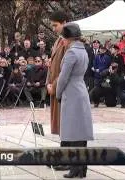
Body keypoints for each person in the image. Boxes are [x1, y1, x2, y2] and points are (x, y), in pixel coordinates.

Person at [56, 23, 93, 179]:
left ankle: (75, 168)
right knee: (81, 133)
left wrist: (58, 93)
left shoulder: (71, 53)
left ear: (68, 38)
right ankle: (82, 168)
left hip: (71, 92)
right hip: (81, 90)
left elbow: (63, 77)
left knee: (72, 133)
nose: (62, 41)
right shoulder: (82, 50)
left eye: (63, 38)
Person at [46, 11, 71, 171]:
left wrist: (54, 86)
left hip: (63, 89)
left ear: (65, 22)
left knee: (67, 125)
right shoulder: (59, 41)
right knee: (62, 126)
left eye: (56, 25)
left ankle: (67, 159)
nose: (54, 28)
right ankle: (62, 157)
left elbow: (65, 70)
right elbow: (53, 65)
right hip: (55, 88)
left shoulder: (69, 42)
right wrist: (48, 82)